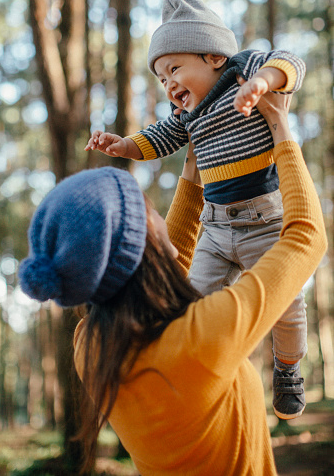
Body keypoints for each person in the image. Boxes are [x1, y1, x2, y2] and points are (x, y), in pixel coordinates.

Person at [19, 86, 326, 474]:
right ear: (143, 238)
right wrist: (281, 124)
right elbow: (305, 238)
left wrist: (195, 161)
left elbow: (166, 265)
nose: (160, 215)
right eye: (148, 207)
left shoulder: (92, 345)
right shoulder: (203, 337)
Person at [85, 0, 308, 419]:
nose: (169, 84)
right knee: (191, 302)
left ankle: (287, 368)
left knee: (287, 304)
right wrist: (123, 145)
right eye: (161, 78)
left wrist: (263, 82)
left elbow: (292, 62)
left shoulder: (245, 71)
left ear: (213, 57)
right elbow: (159, 139)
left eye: (174, 69)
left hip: (265, 221)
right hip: (216, 227)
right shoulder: (188, 116)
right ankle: (201, 378)